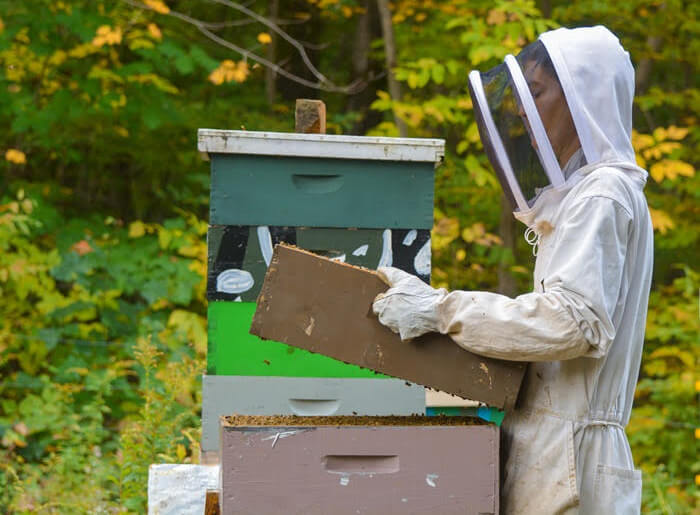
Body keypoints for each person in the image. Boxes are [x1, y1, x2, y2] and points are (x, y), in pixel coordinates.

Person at [372, 26, 653, 514]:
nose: (522, 109)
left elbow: (572, 323)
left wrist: (443, 310)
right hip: (555, 447)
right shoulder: (588, 196)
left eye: (537, 92)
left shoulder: (602, 194)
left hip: (573, 459)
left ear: (580, 98)